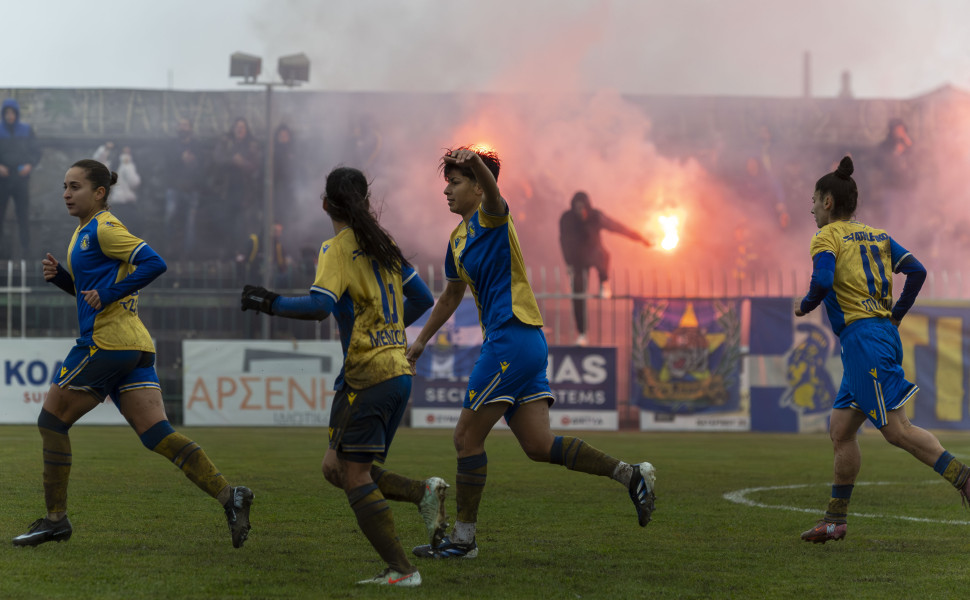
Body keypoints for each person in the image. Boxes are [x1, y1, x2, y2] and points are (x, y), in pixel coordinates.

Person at [405, 147, 657, 560]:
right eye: (446, 182)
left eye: (455, 181)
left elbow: (492, 189)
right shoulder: (456, 240)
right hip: (520, 343)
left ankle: (464, 542)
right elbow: (451, 295)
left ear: (476, 184)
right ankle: (630, 475)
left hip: (512, 338)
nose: (446, 191)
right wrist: (421, 340)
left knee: (466, 438)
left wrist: (481, 167)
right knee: (539, 445)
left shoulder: (492, 215)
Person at [13, 159, 254, 549]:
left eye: (75, 187)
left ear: (100, 193)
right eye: (65, 186)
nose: (66, 193)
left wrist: (107, 294)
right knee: (158, 434)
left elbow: (154, 263)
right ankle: (231, 496)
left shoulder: (105, 227)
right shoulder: (83, 233)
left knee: (52, 423)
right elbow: (94, 291)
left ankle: (56, 521)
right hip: (135, 346)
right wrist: (64, 280)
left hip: (107, 343)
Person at [239, 166, 444, 587]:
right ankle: (423, 493)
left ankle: (403, 571)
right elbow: (423, 297)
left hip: (369, 374)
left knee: (353, 475)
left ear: (326, 203)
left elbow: (318, 306)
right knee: (336, 467)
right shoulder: (383, 244)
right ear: (365, 202)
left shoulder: (337, 247)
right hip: (395, 373)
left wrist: (269, 302)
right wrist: (388, 327)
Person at [795, 156, 970, 544]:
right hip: (876, 336)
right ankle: (835, 520)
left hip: (864, 341)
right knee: (841, 431)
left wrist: (804, 305)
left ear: (827, 202)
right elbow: (918, 271)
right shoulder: (878, 236)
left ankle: (964, 478)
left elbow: (823, 280)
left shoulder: (827, 237)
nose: (810, 207)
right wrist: (895, 317)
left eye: (813, 199)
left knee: (897, 431)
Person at [558, 191, 652, 346]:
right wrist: (569, 264)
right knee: (578, 296)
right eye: (577, 208)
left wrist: (639, 237)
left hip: (594, 253)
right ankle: (582, 334)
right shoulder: (567, 219)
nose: (581, 211)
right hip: (577, 260)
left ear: (588, 207)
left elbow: (617, 227)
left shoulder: (596, 216)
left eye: (583, 207)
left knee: (603, 255)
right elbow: (563, 241)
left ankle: (604, 282)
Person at [213, 117, 261, 262]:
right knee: (226, 222)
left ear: (246, 130)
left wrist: (242, 163)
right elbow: (217, 159)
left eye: (243, 127)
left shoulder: (252, 145)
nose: (240, 130)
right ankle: (228, 252)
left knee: (243, 224)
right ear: (233, 129)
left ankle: (242, 253)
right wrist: (232, 160)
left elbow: (257, 166)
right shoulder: (226, 143)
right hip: (227, 189)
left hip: (245, 191)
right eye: (237, 127)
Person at [0, 98, 42, 259]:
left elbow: (36, 151)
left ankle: (27, 253)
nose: (10, 116)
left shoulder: (26, 130)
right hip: (2, 180)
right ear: (3, 114)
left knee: (23, 215)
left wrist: (30, 165)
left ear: (16, 114)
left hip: (20, 179)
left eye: (12, 113)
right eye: (7, 113)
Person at [164, 118, 206, 258]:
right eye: (180, 125)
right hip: (174, 187)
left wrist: (192, 162)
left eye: (185, 125)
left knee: (191, 221)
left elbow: (203, 166)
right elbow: (167, 163)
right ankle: (169, 247)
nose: (182, 128)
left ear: (190, 128)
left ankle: (189, 252)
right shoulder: (171, 145)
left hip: (192, 188)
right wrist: (180, 158)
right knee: (170, 213)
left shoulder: (196, 146)